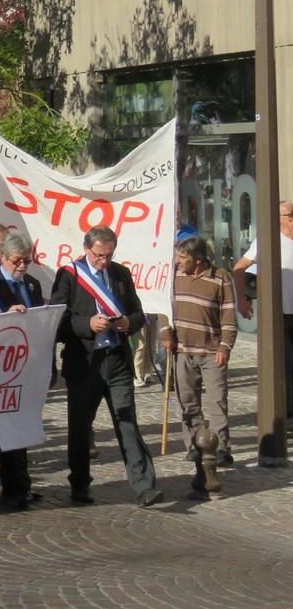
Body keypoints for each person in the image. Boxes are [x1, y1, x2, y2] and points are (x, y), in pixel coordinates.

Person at [51, 225, 162, 508]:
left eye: (109, 255)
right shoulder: (69, 276)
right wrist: (87, 324)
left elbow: (137, 312)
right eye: (100, 255)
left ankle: (144, 486)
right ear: (87, 249)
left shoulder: (120, 274)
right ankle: (79, 484)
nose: (104, 261)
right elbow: (57, 322)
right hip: (84, 363)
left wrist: (129, 323)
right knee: (80, 427)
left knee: (127, 423)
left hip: (116, 360)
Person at [0, 232, 45, 509]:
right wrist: (6, 317)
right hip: (1, 368)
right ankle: (12, 486)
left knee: (24, 425)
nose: (22, 266)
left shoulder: (33, 284)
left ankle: (23, 484)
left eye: (27, 261)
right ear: (3, 258)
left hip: (29, 364)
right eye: (17, 261)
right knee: (7, 429)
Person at [163, 235, 237, 473]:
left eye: (182, 257)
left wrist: (225, 346)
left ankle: (221, 448)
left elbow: (228, 314)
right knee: (187, 402)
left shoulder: (221, 277)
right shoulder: (173, 276)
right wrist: (165, 332)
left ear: (199, 260)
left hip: (212, 351)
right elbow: (164, 308)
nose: (177, 261)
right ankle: (195, 444)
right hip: (182, 350)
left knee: (217, 401)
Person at [233, 199, 293, 417]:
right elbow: (239, 267)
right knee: (285, 365)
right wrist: (241, 298)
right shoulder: (267, 240)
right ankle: (286, 413)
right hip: (279, 313)